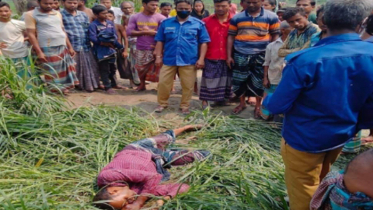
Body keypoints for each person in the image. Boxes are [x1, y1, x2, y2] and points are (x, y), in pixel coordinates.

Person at [262, 0, 373, 209]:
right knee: (322, 173)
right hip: (341, 134)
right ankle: (321, 203)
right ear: (361, 23)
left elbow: (277, 106)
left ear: (323, 22)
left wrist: (266, 101)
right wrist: (356, 126)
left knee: (303, 184)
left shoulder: (306, 59)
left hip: (304, 137)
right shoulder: (369, 54)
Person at [92, 125, 210, 210]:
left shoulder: (107, 178)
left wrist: (139, 203)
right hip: (158, 161)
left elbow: (151, 177)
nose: (130, 202)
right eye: (125, 206)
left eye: (125, 201)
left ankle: (184, 128)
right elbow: (182, 187)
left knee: (165, 138)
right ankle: (175, 148)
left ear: (114, 191)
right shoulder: (138, 192)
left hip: (137, 149)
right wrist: (161, 201)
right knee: (202, 155)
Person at [154, 0, 210, 115]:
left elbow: (204, 42)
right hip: (169, 59)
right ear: (176, 8)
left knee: (188, 84)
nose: (183, 11)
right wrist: (158, 57)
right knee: (163, 83)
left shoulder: (198, 24)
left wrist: (201, 59)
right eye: (180, 9)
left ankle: (185, 105)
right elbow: (160, 40)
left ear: (191, 9)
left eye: (186, 9)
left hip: (188, 59)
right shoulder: (166, 23)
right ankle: (162, 103)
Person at [227, 0, 280, 117]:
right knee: (239, 81)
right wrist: (229, 56)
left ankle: (257, 106)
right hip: (240, 54)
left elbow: (275, 36)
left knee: (259, 82)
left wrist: (272, 55)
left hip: (262, 55)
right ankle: (242, 103)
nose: (251, 5)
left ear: (261, 1)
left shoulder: (271, 16)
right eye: (248, 2)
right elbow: (231, 36)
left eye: (254, 2)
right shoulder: (237, 17)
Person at [25, 0, 79, 94]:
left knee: (63, 68)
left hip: (61, 45)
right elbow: (31, 34)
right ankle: (53, 89)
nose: (49, 6)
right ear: (39, 2)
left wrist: (69, 46)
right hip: (47, 46)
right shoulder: (31, 14)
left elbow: (62, 30)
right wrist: (39, 52)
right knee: (51, 70)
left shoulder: (57, 13)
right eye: (45, 3)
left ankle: (62, 88)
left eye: (51, 3)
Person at [199, 0, 232, 109]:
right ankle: (204, 102)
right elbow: (201, 41)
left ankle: (220, 100)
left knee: (225, 79)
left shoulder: (235, 21)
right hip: (210, 55)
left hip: (227, 56)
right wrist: (201, 58)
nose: (220, 8)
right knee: (208, 79)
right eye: (218, 6)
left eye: (223, 6)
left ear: (229, 6)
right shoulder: (206, 21)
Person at [126, 0, 165, 91]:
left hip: (157, 47)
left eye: (156, 5)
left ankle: (161, 86)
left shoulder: (161, 18)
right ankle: (142, 85)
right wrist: (145, 32)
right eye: (152, 5)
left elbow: (164, 34)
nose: (155, 7)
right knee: (140, 68)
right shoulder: (135, 17)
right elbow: (129, 32)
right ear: (144, 4)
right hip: (141, 47)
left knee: (160, 68)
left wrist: (151, 33)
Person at [61, 0, 100, 92]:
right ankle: (73, 86)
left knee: (89, 66)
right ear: (63, 3)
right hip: (71, 45)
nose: (72, 5)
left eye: (74, 3)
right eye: (69, 2)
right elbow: (62, 32)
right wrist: (69, 47)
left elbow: (87, 29)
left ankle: (89, 85)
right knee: (73, 67)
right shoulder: (60, 15)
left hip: (85, 45)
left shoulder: (83, 15)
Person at [89, 5, 126, 94]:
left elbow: (115, 35)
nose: (106, 15)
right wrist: (103, 43)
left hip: (111, 49)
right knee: (104, 69)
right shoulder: (93, 25)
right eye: (103, 13)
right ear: (96, 14)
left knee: (113, 68)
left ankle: (114, 84)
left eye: (107, 13)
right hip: (101, 50)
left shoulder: (110, 23)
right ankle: (107, 87)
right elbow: (93, 38)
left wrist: (113, 43)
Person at [260, 21, 291, 120]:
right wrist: (265, 78)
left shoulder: (299, 45)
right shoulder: (272, 46)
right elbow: (267, 63)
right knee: (268, 100)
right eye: (292, 28)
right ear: (283, 30)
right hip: (274, 77)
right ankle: (266, 117)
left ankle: (279, 119)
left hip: (288, 79)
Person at [107, 10, 132, 88]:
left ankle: (132, 82)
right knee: (111, 67)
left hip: (119, 49)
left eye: (110, 16)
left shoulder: (118, 26)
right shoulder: (103, 26)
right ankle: (114, 83)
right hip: (108, 49)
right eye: (106, 16)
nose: (108, 18)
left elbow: (125, 38)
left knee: (125, 66)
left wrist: (125, 50)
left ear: (114, 17)